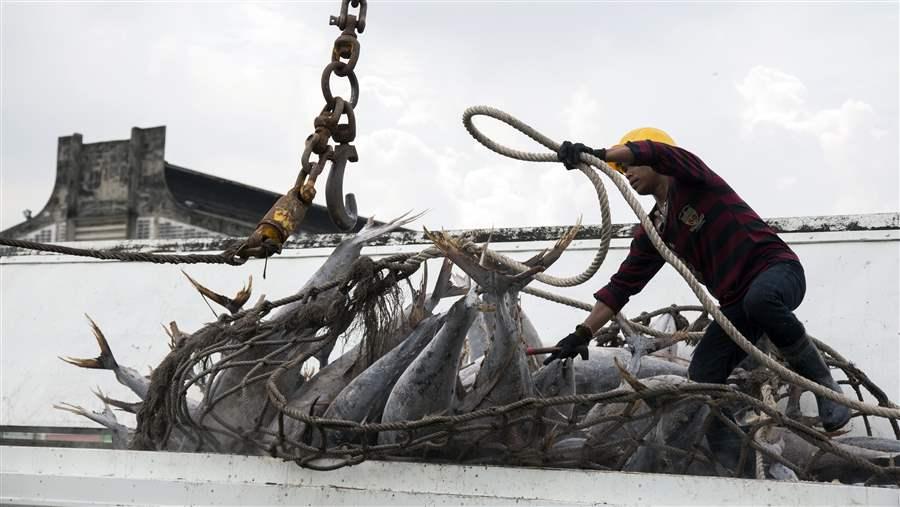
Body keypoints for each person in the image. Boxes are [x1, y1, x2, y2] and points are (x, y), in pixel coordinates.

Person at [546, 128, 852, 439]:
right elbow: (621, 287)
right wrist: (581, 334)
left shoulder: (693, 178)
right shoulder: (655, 231)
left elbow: (657, 152)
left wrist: (600, 154)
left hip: (777, 271)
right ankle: (728, 451)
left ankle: (825, 387)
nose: (627, 175)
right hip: (737, 307)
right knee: (702, 377)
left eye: (630, 165)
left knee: (760, 299)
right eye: (621, 171)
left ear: (653, 159)